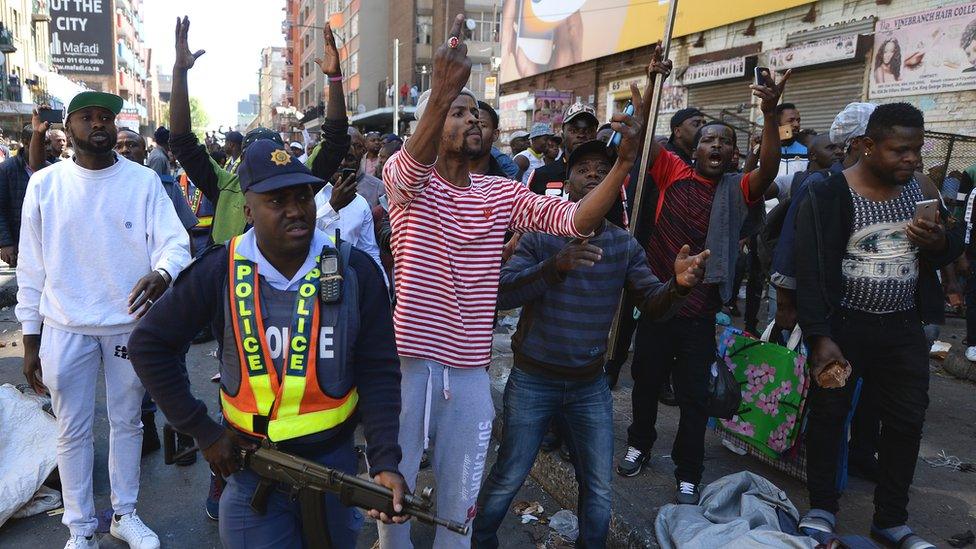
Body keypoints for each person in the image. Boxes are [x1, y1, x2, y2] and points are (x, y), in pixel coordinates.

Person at [376, 15, 642, 547]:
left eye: (476, 112)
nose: (472, 118)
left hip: (470, 371)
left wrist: (623, 166)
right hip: (409, 364)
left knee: (460, 500)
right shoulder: (406, 182)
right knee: (394, 499)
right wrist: (442, 89)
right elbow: (408, 168)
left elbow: (574, 221)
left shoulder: (499, 193)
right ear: (434, 124)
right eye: (459, 112)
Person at [127, 139, 407, 548]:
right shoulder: (219, 268)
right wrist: (203, 431)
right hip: (250, 468)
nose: (295, 210)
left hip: (332, 464)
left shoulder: (353, 270)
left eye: (303, 196)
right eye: (277, 200)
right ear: (248, 210)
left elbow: (379, 370)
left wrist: (384, 460)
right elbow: (148, 345)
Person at [473, 139, 708, 547]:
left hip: (589, 386)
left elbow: (652, 305)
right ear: (568, 183)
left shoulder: (623, 245)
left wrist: (679, 287)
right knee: (510, 473)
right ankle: (479, 540)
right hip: (533, 381)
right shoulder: (540, 235)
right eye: (584, 169)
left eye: (604, 169)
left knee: (598, 487)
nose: (594, 175)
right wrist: (555, 266)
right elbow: (502, 293)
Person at [17, 91, 192, 549]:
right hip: (64, 325)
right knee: (71, 428)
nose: (99, 123)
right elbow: (30, 267)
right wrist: (30, 338)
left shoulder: (143, 182)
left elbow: (175, 242)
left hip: (127, 323)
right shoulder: (45, 185)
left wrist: (162, 271)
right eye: (88, 117)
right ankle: (79, 529)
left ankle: (124, 514)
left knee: (127, 422)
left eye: (106, 117)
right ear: (69, 129)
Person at [617, 49, 789, 505]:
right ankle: (639, 445)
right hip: (657, 300)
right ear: (692, 151)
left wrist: (769, 115)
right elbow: (642, 135)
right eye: (708, 139)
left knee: (695, 396)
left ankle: (688, 470)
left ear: (734, 154)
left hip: (699, 312)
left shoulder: (740, 189)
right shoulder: (671, 170)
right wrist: (652, 82)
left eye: (725, 142)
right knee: (646, 382)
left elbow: (768, 168)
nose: (715, 146)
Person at [795, 103, 961, 549]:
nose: (910, 159)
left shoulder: (921, 189)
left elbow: (949, 249)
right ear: (868, 146)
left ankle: (891, 520)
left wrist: (940, 242)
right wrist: (819, 337)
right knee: (829, 418)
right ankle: (822, 508)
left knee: (906, 422)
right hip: (843, 328)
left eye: (916, 150)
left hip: (903, 330)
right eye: (899, 150)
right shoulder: (827, 191)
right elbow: (807, 271)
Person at [168, 17, 348, 246]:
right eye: (255, 156)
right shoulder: (223, 185)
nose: (291, 208)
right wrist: (180, 72)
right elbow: (183, 143)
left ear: (283, 157)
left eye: (271, 156)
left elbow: (335, 142)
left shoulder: (300, 182)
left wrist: (335, 78)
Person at [314, 130, 386, 277]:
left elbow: (369, 250)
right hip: (312, 278)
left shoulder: (361, 203)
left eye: (349, 158)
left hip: (349, 279)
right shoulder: (311, 194)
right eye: (338, 157)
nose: (342, 163)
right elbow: (303, 236)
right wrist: (332, 206)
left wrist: (382, 284)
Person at [527, 102, 599, 196]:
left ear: (596, 136)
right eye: (574, 130)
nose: (581, 135)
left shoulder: (608, 175)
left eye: (588, 131)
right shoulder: (541, 175)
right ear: (562, 136)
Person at [0, 125, 34, 267]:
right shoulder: (6, 169)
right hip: (19, 243)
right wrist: (6, 243)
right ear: (26, 142)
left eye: (48, 143)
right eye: (43, 142)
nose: (48, 147)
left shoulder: (51, 168)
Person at [470, 101, 511, 177]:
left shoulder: (507, 186)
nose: (473, 129)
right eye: (469, 123)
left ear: (495, 134)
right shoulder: (441, 182)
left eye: (482, 125)